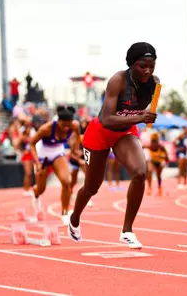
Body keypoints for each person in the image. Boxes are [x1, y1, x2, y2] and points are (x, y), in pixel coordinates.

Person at [68, 42, 158, 249]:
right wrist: (139, 117)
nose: (147, 71)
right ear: (131, 64)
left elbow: (145, 113)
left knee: (139, 173)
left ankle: (127, 231)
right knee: (92, 187)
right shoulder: (118, 81)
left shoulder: (154, 83)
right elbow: (107, 119)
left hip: (125, 132)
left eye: (151, 66)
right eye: (142, 66)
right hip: (100, 133)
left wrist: (143, 117)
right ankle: (74, 217)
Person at [29, 105, 80, 224]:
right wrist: (37, 163)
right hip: (43, 156)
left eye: (69, 125)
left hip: (58, 153)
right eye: (64, 125)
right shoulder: (46, 128)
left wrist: (75, 149)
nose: (67, 128)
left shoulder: (75, 125)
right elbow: (32, 144)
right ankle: (36, 195)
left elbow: (78, 137)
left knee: (66, 181)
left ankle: (65, 212)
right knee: (41, 189)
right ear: (58, 121)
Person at [68, 131, 92, 207]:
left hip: (82, 160)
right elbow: (70, 154)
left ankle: (87, 197)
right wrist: (79, 160)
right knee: (74, 180)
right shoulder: (73, 143)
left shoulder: (84, 140)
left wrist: (84, 159)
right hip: (74, 161)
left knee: (88, 178)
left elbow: (89, 151)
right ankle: (70, 193)